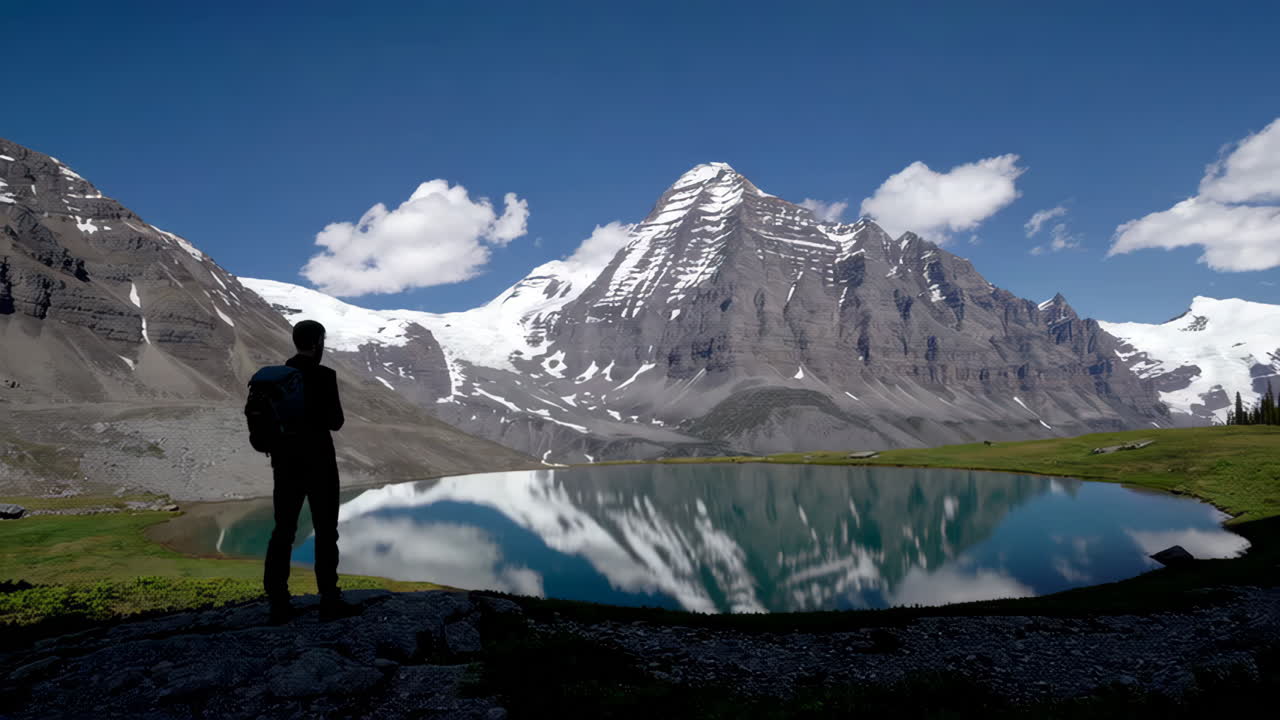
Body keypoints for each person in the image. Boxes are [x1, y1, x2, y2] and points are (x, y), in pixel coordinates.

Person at [264, 319, 363, 623]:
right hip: (320, 463)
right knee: (325, 531)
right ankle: (329, 600)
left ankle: (278, 604)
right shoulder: (324, 376)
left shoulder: (277, 377)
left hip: (285, 464)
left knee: (283, 530)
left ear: (295, 341)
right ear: (318, 341)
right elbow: (336, 422)